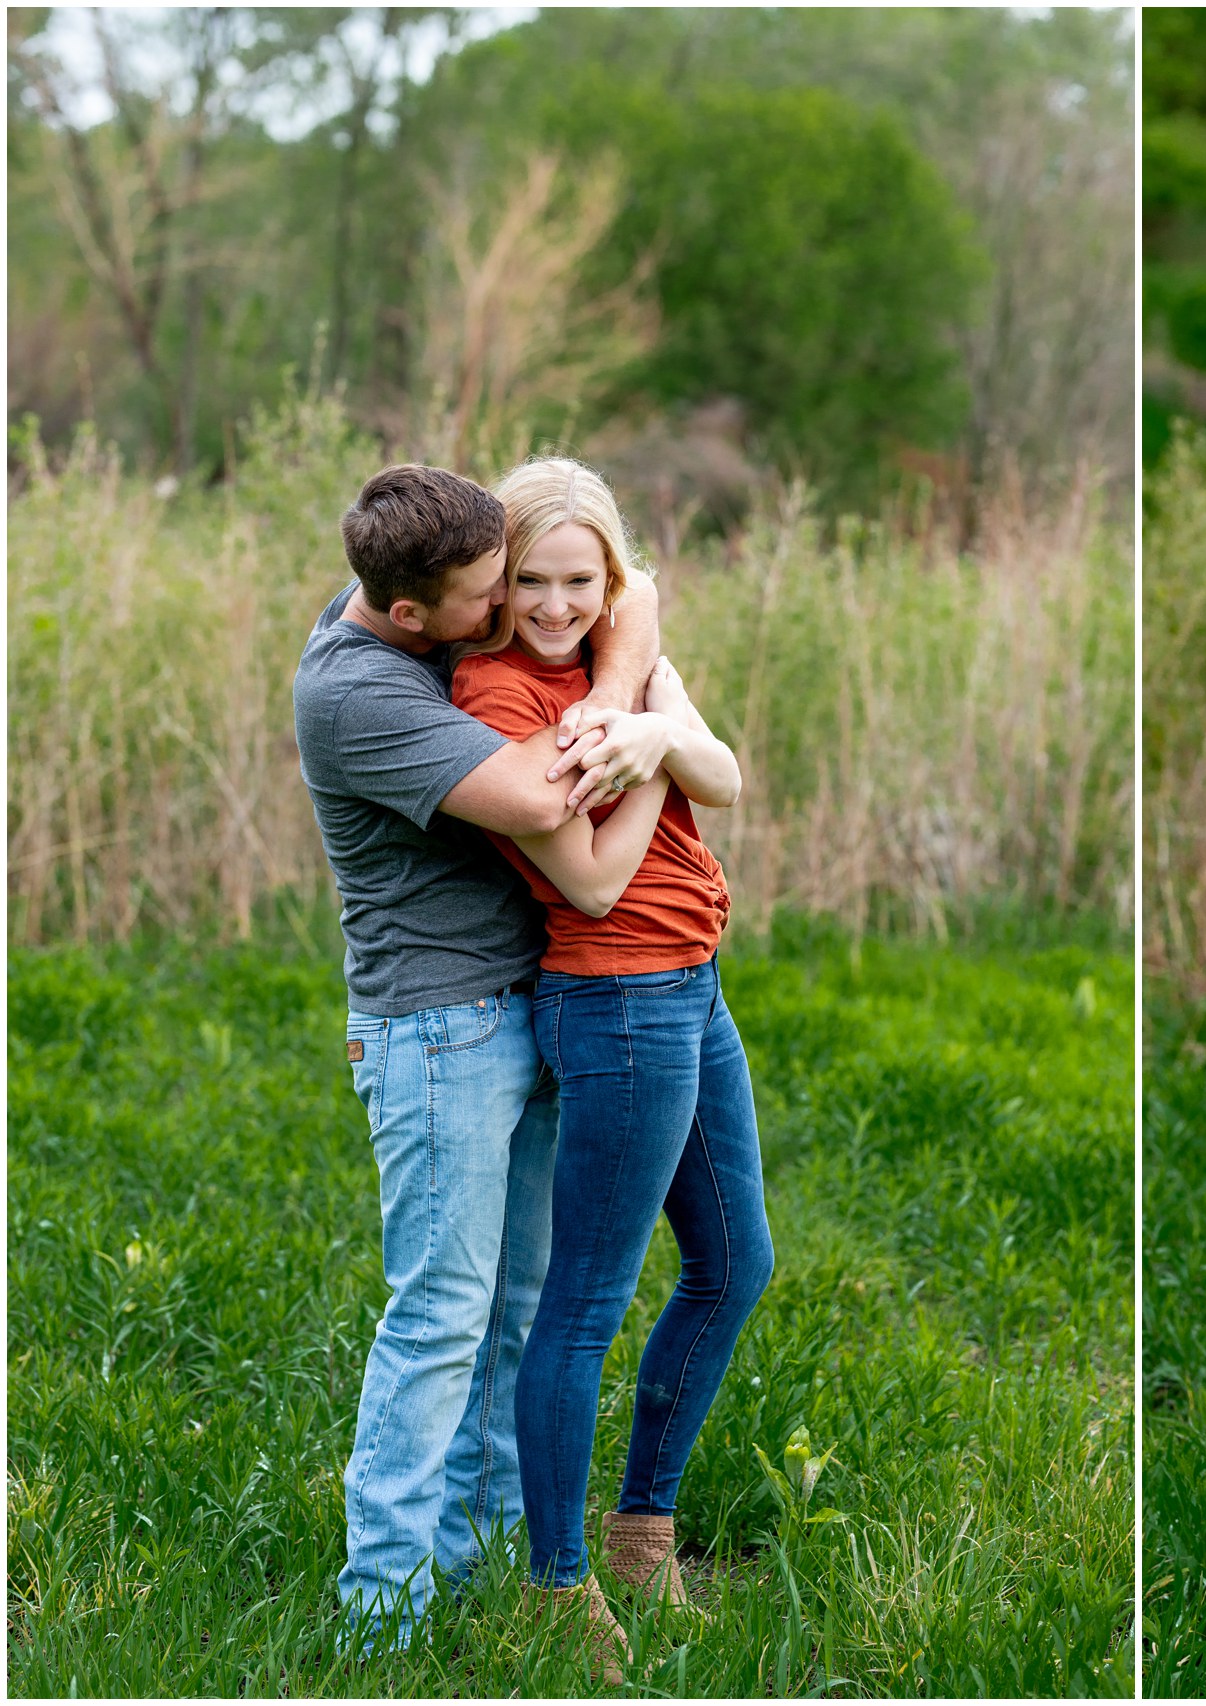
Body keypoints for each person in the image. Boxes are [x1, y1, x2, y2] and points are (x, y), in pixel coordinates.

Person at [294, 464, 672, 1654]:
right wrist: (641, 715)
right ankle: (387, 1615)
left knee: (517, 1310)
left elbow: (636, 587)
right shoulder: (358, 690)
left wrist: (617, 667)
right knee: (441, 1318)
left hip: (523, 1006)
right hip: (438, 1030)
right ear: (414, 613)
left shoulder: (412, 590)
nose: (510, 605)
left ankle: (498, 1561)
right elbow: (536, 791)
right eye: (488, 592)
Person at [449, 457, 771, 1685]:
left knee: (738, 1262)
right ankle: (553, 1582)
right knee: (582, 1306)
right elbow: (587, 868)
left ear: (610, 572)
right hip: (617, 995)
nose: (553, 603)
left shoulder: (618, 655)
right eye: (528, 579)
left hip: (693, 981)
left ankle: (644, 1530)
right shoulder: (491, 693)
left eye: (578, 579)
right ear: (497, 582)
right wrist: (649, 749)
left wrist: (642, 721)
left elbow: (728, 780)